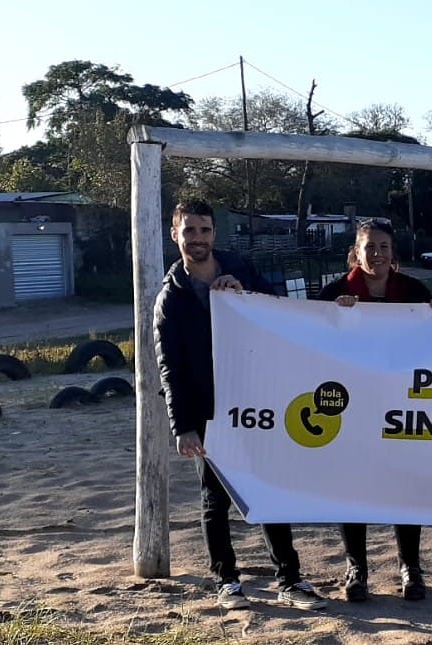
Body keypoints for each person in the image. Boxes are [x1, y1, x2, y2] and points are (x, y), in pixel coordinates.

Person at [154, 200, 327, 611]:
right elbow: (170, 367)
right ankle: (227, 581)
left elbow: (278, 307)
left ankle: (290, 579)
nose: (198, 239)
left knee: (267, 490)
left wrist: (244, 294)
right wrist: (183, 427)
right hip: (206, 410)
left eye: (205, 230)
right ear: (174, 234)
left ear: (215, 234)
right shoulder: (171, 300)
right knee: (215, 499)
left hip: (254, 401)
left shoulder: (241, 268)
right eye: (189, 231)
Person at [316, 217, 432, 603]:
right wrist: (334, 316)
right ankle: (356, 566)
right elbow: (310, 340)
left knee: (403, 484)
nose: (376, 254)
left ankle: (410, 565)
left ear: (394, 254)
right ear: (355, 253)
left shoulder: (413, 290)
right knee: (353, 484)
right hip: (350, 404)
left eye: (383, 247)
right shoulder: (334, 293)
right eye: (369, 247)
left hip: (402, 403)